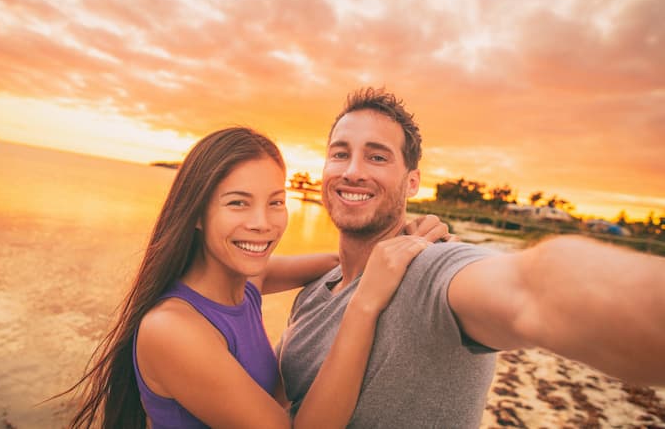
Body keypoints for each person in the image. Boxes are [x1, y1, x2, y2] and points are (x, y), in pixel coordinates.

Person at [277, 87, 665, 428]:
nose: (353, 171)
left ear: (412, 182)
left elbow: (533, 289)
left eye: (377, 157)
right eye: (340, 154)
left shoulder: (431, 270)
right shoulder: (313, 292)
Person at [61, 126, 448, 428]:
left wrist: (405, 240)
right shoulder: (171, 329)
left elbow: (343, 261)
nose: (263, 224)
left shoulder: (246, 283)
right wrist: (364, 305)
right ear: (195, 213)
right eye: (238, 203)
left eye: (276, 202)